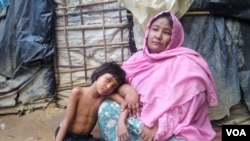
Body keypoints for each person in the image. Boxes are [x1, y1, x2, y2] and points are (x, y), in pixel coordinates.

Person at [97, 11, 218, 141]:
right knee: (107, 108)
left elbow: (192, 100)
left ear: (174, 37)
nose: (158, 36)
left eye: (166, 32)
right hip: (137, 120)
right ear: (148, 32)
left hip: (170, 126)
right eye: (155, 29)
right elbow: (116, 84)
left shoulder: (186, 63)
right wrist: (127, 90)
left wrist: (161, 124)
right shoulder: (137, 60)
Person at [55, 61, 129, 141]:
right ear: (99, 73)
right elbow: (67, 121)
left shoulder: (105, 96)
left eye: (114, 87)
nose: (108, 87)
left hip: (84, 138)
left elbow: (124, 103)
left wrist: (121, 122)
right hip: (68, 135)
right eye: (108, 80)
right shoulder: (78, 92)